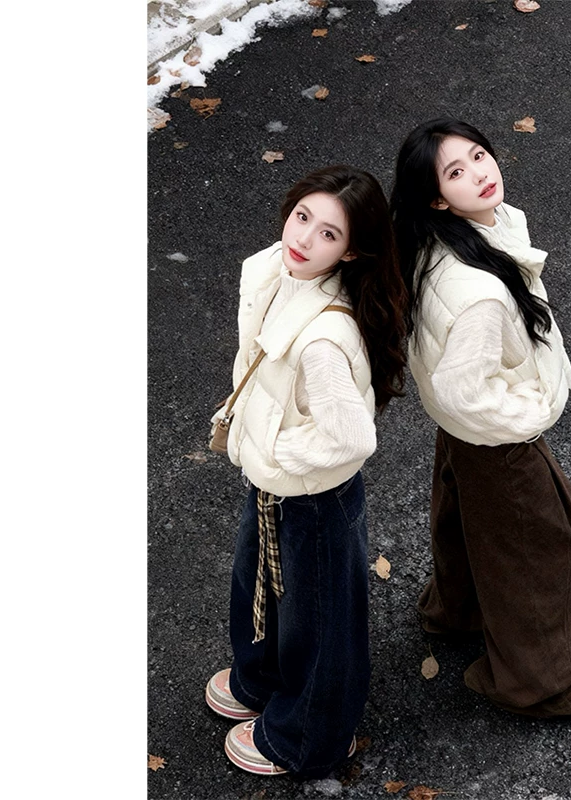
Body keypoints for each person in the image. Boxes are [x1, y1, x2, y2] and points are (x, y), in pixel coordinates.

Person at [390, 118, 571, 718]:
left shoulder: (457, 234)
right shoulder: (478, 293)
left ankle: (458, 613)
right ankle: (545, 686)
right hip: (496, 436)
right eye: (456, 172)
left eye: (479, 155)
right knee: (552, 547)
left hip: (466, 434)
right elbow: (463, 392)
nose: (480, 174)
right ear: (437, 198)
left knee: (468, 522)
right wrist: (528, 415)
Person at [206, 165, 407, 777]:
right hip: (274, 479)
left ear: (351, 251)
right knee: (260, 583)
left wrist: (273, 454)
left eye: (328, 234)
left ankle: (309, 737)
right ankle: (264, 680)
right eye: (302, 217)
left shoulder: (323, 340)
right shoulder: (276, 274)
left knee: (319, 620)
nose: (303, 239)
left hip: (313, 495)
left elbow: (352, 438)